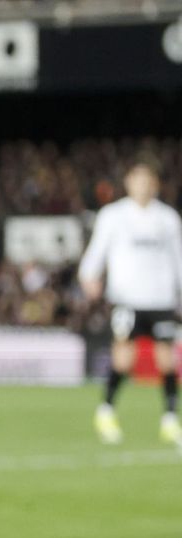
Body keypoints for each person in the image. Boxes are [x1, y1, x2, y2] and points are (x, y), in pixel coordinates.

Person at [77, 156, 182, 445]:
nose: (143, 186)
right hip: (127, 298)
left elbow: (179, 258)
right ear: (128, 183)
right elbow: (98, 248)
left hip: (160, 298)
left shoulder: (168, 219)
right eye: (137, 180)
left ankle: (171, 419)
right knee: (123, 359)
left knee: (167, 361)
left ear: (156, 185)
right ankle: (106, 410)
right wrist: (89, 275)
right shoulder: (113, 215)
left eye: (148, 181)